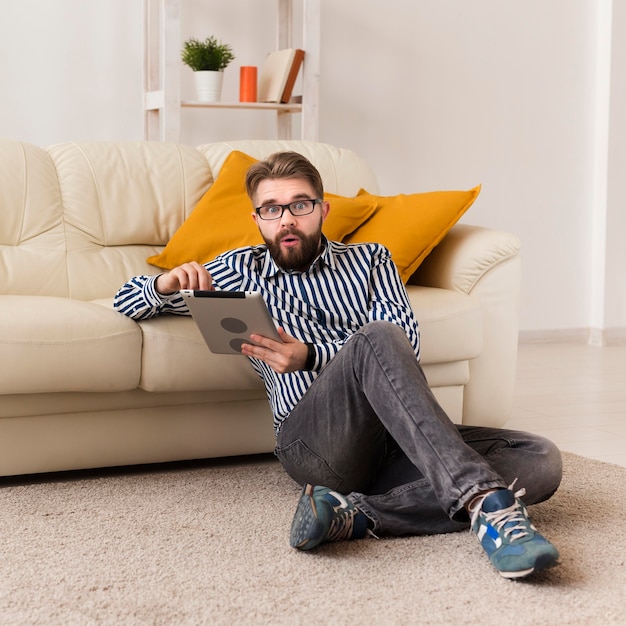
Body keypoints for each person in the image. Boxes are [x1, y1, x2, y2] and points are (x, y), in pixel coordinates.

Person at [114, 151, 562, 579]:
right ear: (257, 220)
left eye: (299, 205)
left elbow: (407, 342)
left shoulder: (371, 260)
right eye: (270, 209)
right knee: (376, 335)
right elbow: (125, 302)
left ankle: (354, 515)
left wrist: (309, 352)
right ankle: (491, 507)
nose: (286, 218)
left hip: (396, 441)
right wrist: (165, 282)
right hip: (314, 445)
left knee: (541, 460)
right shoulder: (235, 270)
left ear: (322, 210)